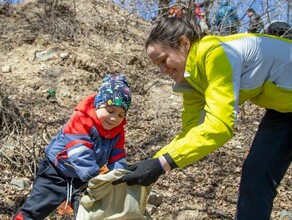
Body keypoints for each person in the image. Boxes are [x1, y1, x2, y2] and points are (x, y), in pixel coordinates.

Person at [113, 17, 292, 219]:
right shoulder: (192, 80)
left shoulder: (216, 54)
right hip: (283, 111)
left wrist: (162, 165)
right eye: (157, 65)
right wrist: (152, 164)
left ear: (184, 43)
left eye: (163, 60)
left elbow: (220, 126)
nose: (162, 70)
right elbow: (191, 132)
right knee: (256, 175)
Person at [14, 73, 132, 220]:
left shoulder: (117, 131)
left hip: (82, 179)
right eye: (110, 110)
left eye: (121, 115)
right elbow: (79, 151)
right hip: (57, 171)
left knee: (90, 212)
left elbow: (118, 155)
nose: (114, 118)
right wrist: (95, 178)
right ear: (98, 104)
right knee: (37, 208)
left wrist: (119, 177)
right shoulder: (81, 120)